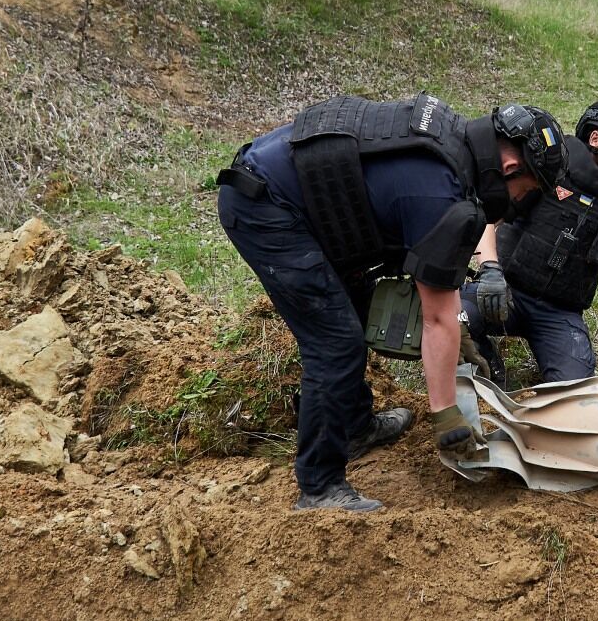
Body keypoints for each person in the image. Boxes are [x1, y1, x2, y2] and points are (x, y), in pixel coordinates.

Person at [217, 93, 566, 512]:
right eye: (526, 191)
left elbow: (434, 291)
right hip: (266, 206)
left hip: (301, 196)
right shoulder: (441, 195)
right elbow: (438, 318)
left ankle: (354, 427)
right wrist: (445, 414)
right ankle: (319, 486)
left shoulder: (453, 146)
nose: (519, 203)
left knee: (358, 303)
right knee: (334, 343)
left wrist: (460, 334)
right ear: (510, 169)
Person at [463, 99, 598, 383]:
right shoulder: (543, 170)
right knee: (455, 319)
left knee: (576, 388)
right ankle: (488, 368)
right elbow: (487, 220)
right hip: (504, 292)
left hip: (558, 314)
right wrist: (490, 271)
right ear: (595, 138)